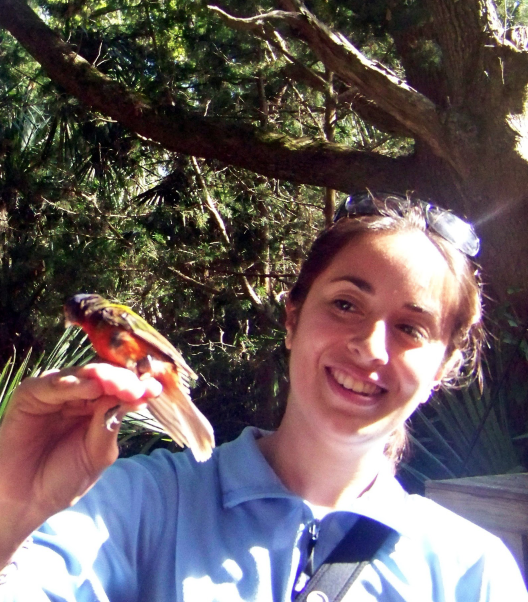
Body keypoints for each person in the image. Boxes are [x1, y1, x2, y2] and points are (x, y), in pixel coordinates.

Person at [0, 192, 526, 602]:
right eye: (345, 304)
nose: (369, 348)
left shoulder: (472, 572)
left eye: (411, 328)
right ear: (292, 318)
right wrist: (14, 510)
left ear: (445, 366)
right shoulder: (136, 505)